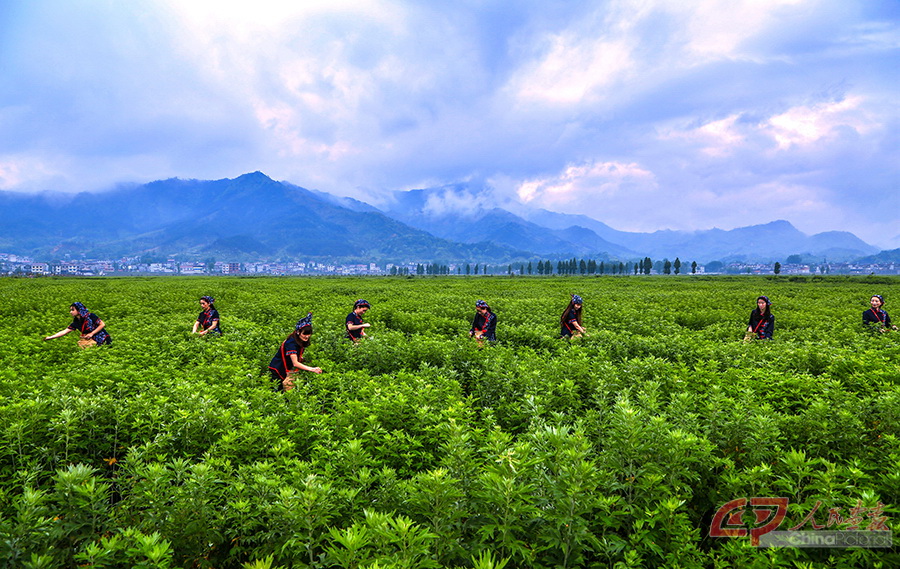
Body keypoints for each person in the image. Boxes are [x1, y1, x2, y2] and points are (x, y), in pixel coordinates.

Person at [268, 313, 323, 391]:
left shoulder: (299, 340)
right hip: (277, 369)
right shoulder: (291, 343)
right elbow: (295, 363)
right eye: (304, 334)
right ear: (298, 332)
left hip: (285, 368)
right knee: (277, 392)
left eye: (309, 334)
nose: (307, 336)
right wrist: (312, 369)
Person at [43, 302, 112, 347]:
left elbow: (102, 324)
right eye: (70, 310)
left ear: (79, 310)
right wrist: (51, 337)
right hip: (90, 340)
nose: (71, 312)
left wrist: (92, 333)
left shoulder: (90, 316)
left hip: (103, 339)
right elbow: (65, 331)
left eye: (73, 310)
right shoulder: (76, 322)